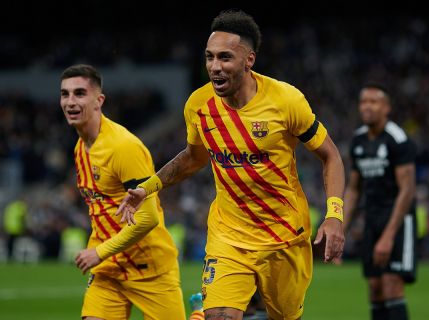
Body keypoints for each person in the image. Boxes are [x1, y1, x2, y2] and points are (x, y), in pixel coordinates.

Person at [117, 9, 345, 320]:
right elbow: (193, 157)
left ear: (249, 60)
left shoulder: (286, 101)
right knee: (220, 316)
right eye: (209, 57)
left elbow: (330, 155)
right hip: (229, 236)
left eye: (225, 57)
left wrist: (334, 215)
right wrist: (148, 187)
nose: (214, 67)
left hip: (284, 236)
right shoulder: (198, 105)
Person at [59, 64, 186, 320]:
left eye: (80, 93)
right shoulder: (80, 148)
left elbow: (148, 218)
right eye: (65, 94)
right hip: (108, 270)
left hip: (149, 268)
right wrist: (102, 252)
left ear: (99, 100)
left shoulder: (123, 146)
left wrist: (99, 252)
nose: (70, 101)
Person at [342, 83, 418, 320]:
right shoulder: (358, 141)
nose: (367, 107)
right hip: (372, 218)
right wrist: (340, 229)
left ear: (387, 108)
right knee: (374, 288)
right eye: (363, 102)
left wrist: (388, 235)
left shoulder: (398, 139)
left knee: (392, 284)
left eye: (374, 102)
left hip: (398, 219)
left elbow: (408, 189)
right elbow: (354, 189)